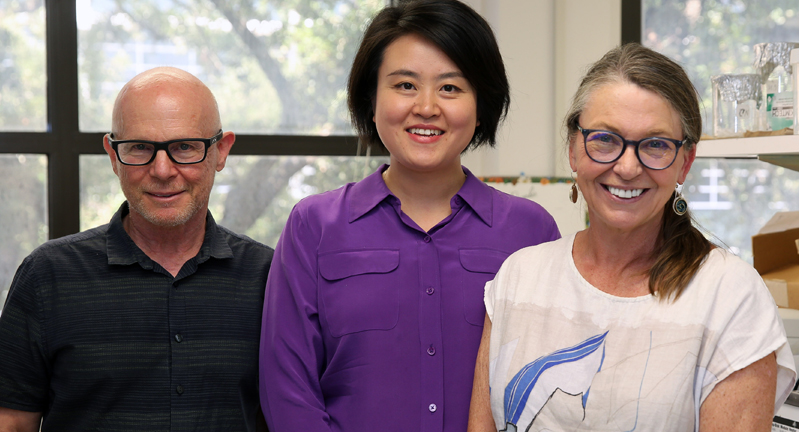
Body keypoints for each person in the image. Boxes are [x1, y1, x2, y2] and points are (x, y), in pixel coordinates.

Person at [257, 1, 560, 431]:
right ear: (371, 98)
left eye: (451, 88)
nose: (427, 107)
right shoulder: (313, 226)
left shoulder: (531, 231)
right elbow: (287, 390)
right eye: (404, 85)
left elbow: (544, 388)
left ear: (481, 104)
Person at [467, 43, 797, 432]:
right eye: (605, 139)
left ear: (684, 162)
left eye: (655, 145)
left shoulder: (729, 295)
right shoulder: (519, 277)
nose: (626, 166)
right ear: (574, 149)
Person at [0, 67, 273, 431]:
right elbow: (12, 422)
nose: (162, 170)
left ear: (220, 152)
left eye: (184, 147)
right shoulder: (47, 275)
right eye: (140, 147)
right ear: (113, 155)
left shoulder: (270, 277)